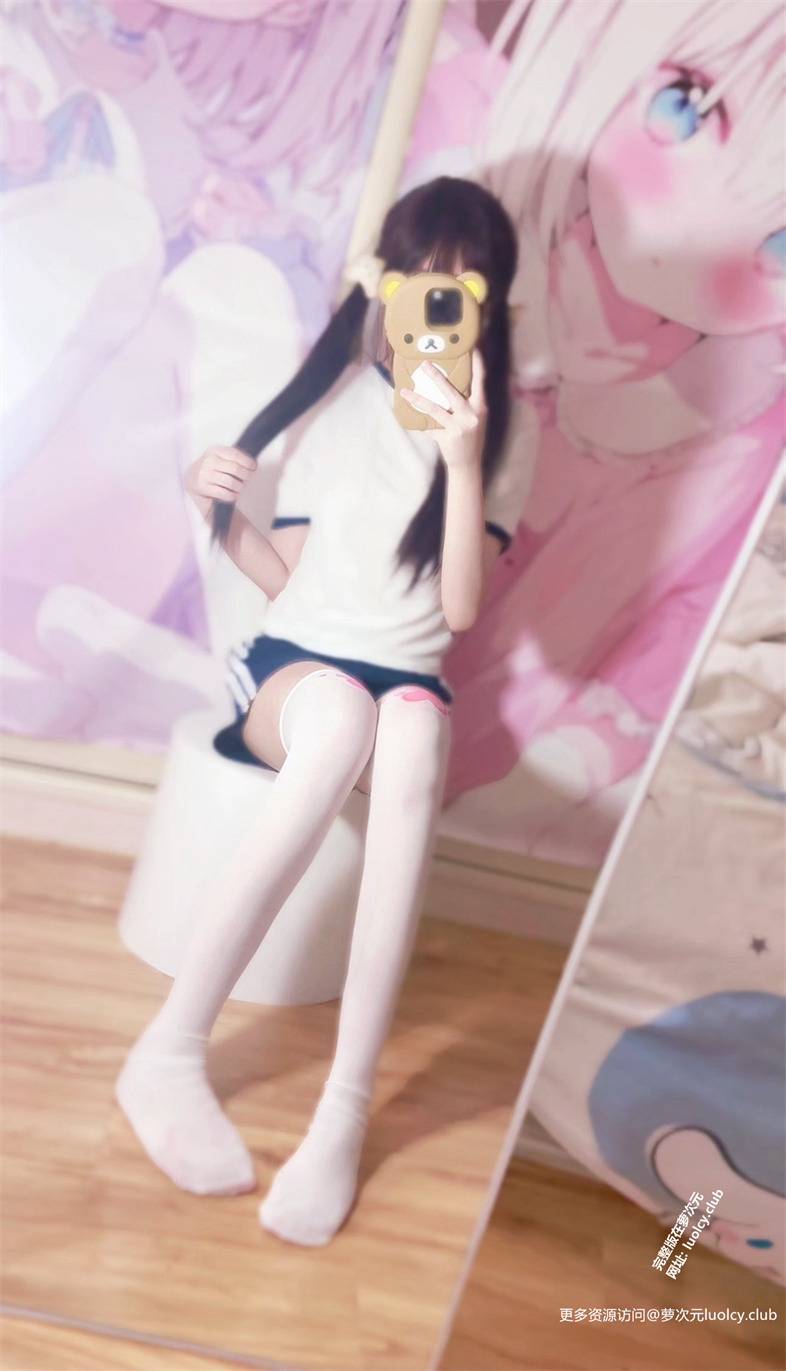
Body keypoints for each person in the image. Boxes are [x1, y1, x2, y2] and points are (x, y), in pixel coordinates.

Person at [115, 176, 530, 1247]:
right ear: (385, 288)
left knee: (415, 728)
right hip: (298, 671)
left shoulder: (500, 441)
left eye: (461, 289)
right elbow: (288, 580)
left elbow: (460, 611)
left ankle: (343, 1111)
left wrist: (463, 461)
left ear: (490, 307)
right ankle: (169, 1048)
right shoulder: (335, 410)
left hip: (410, 683)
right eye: (419, 281)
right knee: (342, 715)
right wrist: (215, 510)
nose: (435, 306)